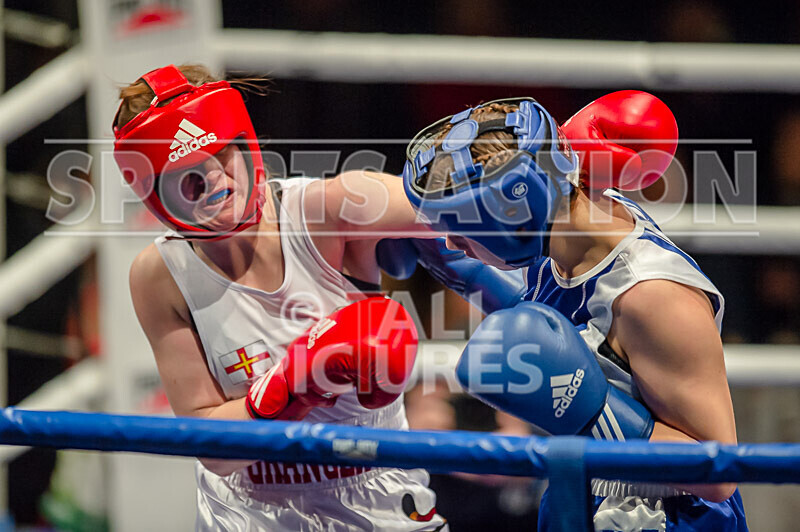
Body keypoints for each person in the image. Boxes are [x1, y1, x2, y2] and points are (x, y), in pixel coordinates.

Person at [113, 63, 463, 531]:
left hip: (376, 488)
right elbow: (211, 447)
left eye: (224, 154)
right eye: (190, 175)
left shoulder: (330, 208)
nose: (216, 179)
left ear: (245, 143)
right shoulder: (159, 276)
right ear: (156, 195)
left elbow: (458, 204)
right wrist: (295, 384)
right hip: (248, 511)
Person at [402, 92, 748, 530]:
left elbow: (718, 472)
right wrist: (472, 277)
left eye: (459, 227)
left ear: (514, 213)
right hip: (579, 489)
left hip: (668, 518)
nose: (452, 244)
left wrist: (592, 410)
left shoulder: (652, 296)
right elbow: (565, 332)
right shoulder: (563, 232)